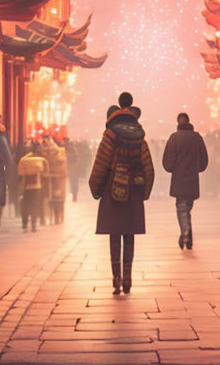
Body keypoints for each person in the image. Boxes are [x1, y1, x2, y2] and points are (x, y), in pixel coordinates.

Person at [89, 92, 154, 295]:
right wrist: (144, 192)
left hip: (113, 190)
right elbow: (149, 168)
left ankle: (115, 276)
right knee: (130, 234)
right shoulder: (140, 136)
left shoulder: (110, 135)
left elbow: (101, 163)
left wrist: (95, 188)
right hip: (134, 190)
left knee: (114, 235)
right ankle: (128, 276)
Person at [162, 112, 208, 250]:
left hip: (179, 179)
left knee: (181, 208)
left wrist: (172, 168)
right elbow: (204, 160)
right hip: (193, 179)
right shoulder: (197, 138)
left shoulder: (174, 138)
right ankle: (189, 239)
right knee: (187, 208)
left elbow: (168, 162)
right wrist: (197, 168)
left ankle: (185, 233)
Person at [17, 141, 49, 231]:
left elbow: (20, 174)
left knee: (26, 205)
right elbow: (45, 173)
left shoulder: (24, 159)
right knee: (35, 205)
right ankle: (34, 224)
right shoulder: (41, 159)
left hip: (26, 186)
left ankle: (24, 223)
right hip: (37, 186)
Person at [42, 134, 68, 224]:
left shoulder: (44, 152)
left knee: (51, 198)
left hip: (50, 179)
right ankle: (57, 217)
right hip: (58, 178)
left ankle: (49, 217)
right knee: (57, 198)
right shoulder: (61, 152)